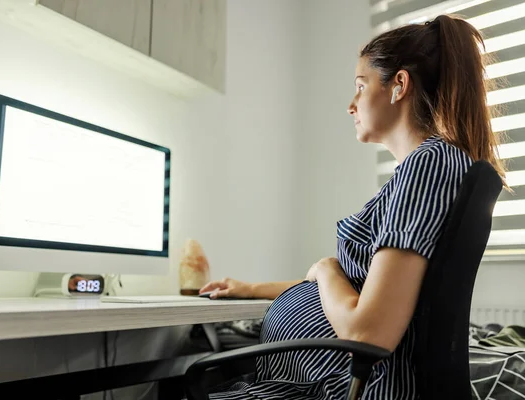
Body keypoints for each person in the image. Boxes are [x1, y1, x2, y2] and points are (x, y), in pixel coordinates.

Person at [199, 14, 506, 400]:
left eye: (360, 86)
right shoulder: (429, 169)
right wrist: (253, 288)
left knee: (182, 375)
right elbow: (360, 285)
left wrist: (326, 267)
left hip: (347, 388)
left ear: (399, 85)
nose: (351, 104)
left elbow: (368, 331)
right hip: (329, 382)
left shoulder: (429, 165)